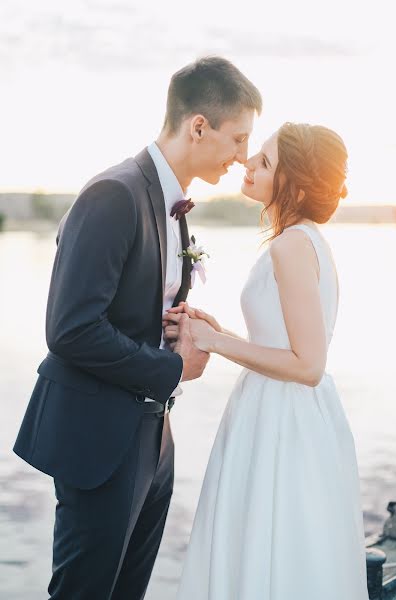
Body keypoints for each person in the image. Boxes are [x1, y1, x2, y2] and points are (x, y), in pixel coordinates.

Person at [13, 56, 262, 600]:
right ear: (200, 126)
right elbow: (72, 328)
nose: (243, 157)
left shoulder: (171, 204)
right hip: (99, 439)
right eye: (238, 139)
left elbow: (136, 309)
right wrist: (174, 366)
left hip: (151, 437)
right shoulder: (115, 194)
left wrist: (183, 324)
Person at [164, 122, 369, 599]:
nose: (248, 164)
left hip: (284, 420)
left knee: (277, 550)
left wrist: (212, 344)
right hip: (277, 407)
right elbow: (282, 345)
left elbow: (307, 365)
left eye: (265, 162)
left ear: (293, 184)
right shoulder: (302, 239)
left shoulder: (293, 245)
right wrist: (219, 332)